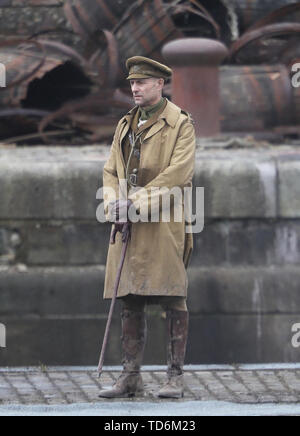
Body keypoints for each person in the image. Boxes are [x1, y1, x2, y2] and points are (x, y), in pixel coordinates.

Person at [99, 56, 196, 399]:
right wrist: (114, 204)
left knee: (173, 295)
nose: (135, 89)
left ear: (160, 84)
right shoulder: (125, 124)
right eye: (132, 84)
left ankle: (175, 378)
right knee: (130, 298)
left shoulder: (180, 124)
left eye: (142, 83)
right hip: (126, 223)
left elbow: (177, 175)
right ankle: (130, 377)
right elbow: (111, 171)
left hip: (163, 223)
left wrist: (135, 204)